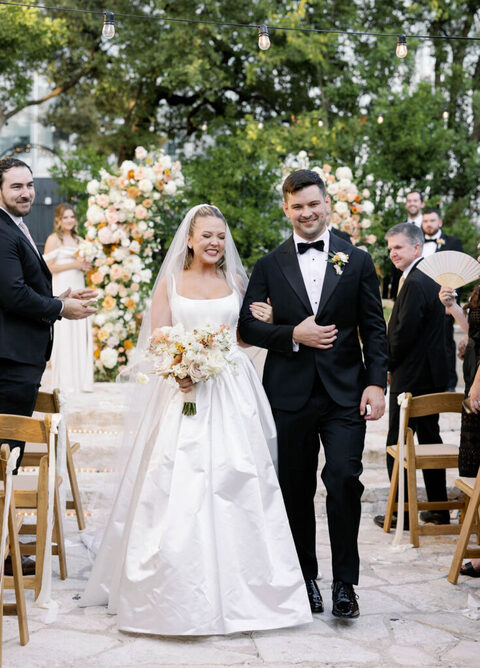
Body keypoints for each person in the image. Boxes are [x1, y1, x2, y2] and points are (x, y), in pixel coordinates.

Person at [81, 204, 312, 635]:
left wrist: (264, 322)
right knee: (177, 480)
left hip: (231, 390)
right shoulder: (170, 282)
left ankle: (248, 588)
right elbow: (157, 337)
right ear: (189, 239)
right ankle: (174, 588)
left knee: (238, 476)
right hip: (183, 390)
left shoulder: (237, 281)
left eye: (220, 236)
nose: (214, 243)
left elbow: (244, 337)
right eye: (206, 235)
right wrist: (179, 366)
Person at [238, 169, 388, 619]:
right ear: (286, 209)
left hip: (345, 394)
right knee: (294, 488)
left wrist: (376, 382)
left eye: (313, 204)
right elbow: (246, 327)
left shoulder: (357, 260)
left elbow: (374, 328)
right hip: (288, 395)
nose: (307, 213)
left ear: (327, 205)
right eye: (297, 206)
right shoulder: (269, 265)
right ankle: (304, 579)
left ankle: (345, 584)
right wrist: (292, 334)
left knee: (343, 480)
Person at [0, 157, 96, 574]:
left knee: (8, 458)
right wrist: (60, 308)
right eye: (16, 186)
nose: (26, 193)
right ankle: (4, 553)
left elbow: (22, 286)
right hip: (10, 363)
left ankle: (5, 543)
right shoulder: (1, 230)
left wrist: (61, 296)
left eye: (29, 185)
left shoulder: (15, 226)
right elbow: (11, 294)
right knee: (5, 459)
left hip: (21, 360)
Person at [374, 223, 449, 530]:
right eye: (390, 248)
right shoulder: (426, 276)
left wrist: (386, 365)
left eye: (398, 247)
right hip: (429, 375)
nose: (392, 253)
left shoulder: (416, 281)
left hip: (411, 377)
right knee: (430, 440)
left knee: (397, 444)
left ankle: (401, 513)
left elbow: (403, 333)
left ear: (416, 247)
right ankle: (439, 510)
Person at [439, 272, 480, 577]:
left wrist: (477, 384)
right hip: (473, 382)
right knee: (474, 472)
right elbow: (477, 333)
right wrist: (453, 308)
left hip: (479, 386)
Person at [44, 203, 94, 393]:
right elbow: (48, 267)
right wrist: (75, 264)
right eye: (65, 217)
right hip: (62, 287)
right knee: (64, 331)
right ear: (58, 220)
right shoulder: (54, 240)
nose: (69, 220)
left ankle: (81, 380)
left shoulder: (80, 240)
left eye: (72, 217)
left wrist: (85, 265)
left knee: (80, 328)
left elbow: (82, 266)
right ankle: (65, 381)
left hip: (78, 284)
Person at [421, 207, 463, 391]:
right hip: (421, 299)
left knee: (445, 343)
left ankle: (449, 384)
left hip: (445, 300)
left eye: (432, 220)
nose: (428, 224)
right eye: (425, 221)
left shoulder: (453, 242)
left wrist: (451, 302)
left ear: (440, 222)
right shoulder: (416, 243)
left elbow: (459, 273)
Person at [388, 190, 425, 299]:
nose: (412, 203)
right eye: (409, 201)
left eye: (415, 200)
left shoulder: (429, 227)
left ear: (422, 204)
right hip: (402, 285)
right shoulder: (398, 228)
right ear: (406, 205)